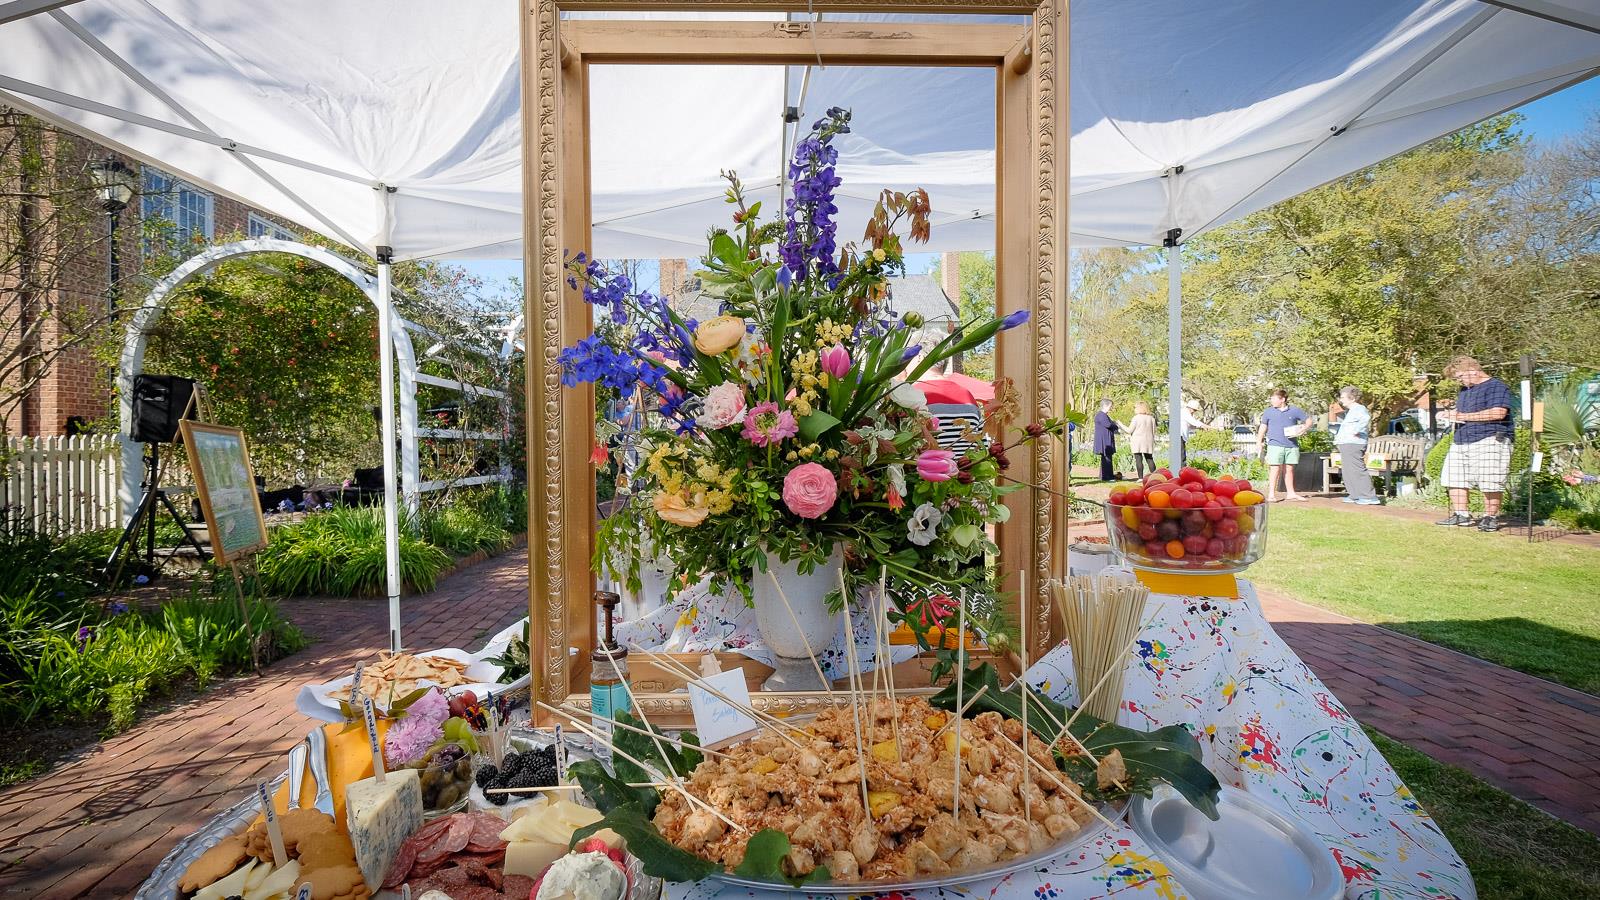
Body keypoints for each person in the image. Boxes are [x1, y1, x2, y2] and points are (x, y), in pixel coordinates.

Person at [1436, 356, 1515, 532]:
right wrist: (1449, 414)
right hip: (1462, 439)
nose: (1459, 381)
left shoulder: (1496, 386)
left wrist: (1462, 417)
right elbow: (1463, 412)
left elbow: (1498, 412)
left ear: (1473, 370)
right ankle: (1461, 514)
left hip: (1490, 438)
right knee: (1454, 477)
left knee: (1491, 479)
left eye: (1460, 377)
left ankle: (1490, 517)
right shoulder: (1465, 391)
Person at [1256, 388, 1311, 502]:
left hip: (1291, 445)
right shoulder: (1268, 412)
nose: (1271, 400)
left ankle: (1291, 493)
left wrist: (1304, 428)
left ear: (1283, 399)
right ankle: (1271, 494)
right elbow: (1263, 426)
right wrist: (1259, 441)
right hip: (1275, 444)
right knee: (1274, 469)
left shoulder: (1294, 411)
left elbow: (1309, 420)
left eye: (1273, 398)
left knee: (1289, 470)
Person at [1333, 386, 1381, 505]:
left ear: (1352, 398)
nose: (1341, 400)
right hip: (1347, 444)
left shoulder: (1359, 409)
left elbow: (1365, 419)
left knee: (1357, 469)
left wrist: (1356, 431)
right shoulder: (1351, 411)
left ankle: (1369, 496)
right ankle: (1354, 495)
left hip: (1354, 444)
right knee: (1348, 470)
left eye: (1343, 397)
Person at [1092, 398, 1123, 481]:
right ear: (1105, 406)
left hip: (1105, 439)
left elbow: (1110, 424)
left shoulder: (1102, 415)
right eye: (1110, 406)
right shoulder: (1101, 415)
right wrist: (1115, 424)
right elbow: (1108, 425)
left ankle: (1105, 475)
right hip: (1104, 440)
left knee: (1106, 458)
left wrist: (1114, 424)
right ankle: (1106, 477)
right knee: (1106, 459)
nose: (1111, 408)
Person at [1128, 400, 1158, 479]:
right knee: (1149, 459)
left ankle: (1140, 478)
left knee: (1138, 459)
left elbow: (1129, 430)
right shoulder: (1151, 418)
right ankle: (1155, 476)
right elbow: (1154, 430)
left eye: (1135, 407)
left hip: (1137, 441)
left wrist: (1120, 424)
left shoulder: (1136, 418)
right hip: (1148, 441)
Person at [1179, 398, 1209, 464]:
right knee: (1181, 456)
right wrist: (1205, 426)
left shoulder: (1184, 413)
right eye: (1194, 410)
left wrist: (1201, 427)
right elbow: (1194, 422)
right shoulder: (1185, 412)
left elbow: (1190, 425)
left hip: (1181, 436)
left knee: (1181, 455)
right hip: (1179, 436)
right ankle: (1182, 471)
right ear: (1190, 408)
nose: (1194, 412)